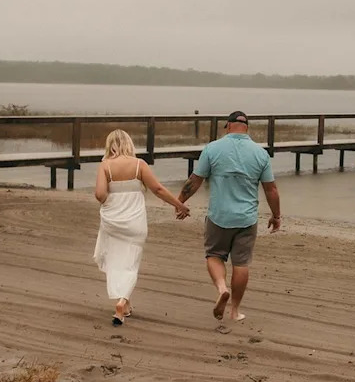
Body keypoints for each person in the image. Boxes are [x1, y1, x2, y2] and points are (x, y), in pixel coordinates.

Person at [177, 110, 281, 323]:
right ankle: (235, 310)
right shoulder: (260, 153)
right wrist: (276, 215)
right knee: (241, 264)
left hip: (219, 216)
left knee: (214, 255)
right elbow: (271, 190)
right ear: (247, 128)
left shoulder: (213, 148)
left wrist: (179, 202)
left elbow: (194, 181)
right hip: (247, 218)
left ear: (228, 126)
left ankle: (222, 288)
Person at [93, 129, 190, 326]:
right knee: (131, 263)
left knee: (116, 261)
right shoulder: (139, 165)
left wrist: (111, 195)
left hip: (113, 221)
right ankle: (123, 303)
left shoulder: (105, 166)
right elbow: (158, 189)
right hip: (135, 222)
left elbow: (100, 195)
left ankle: (122, 301)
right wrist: (179, 205)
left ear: (109, 144)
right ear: (129, 143)